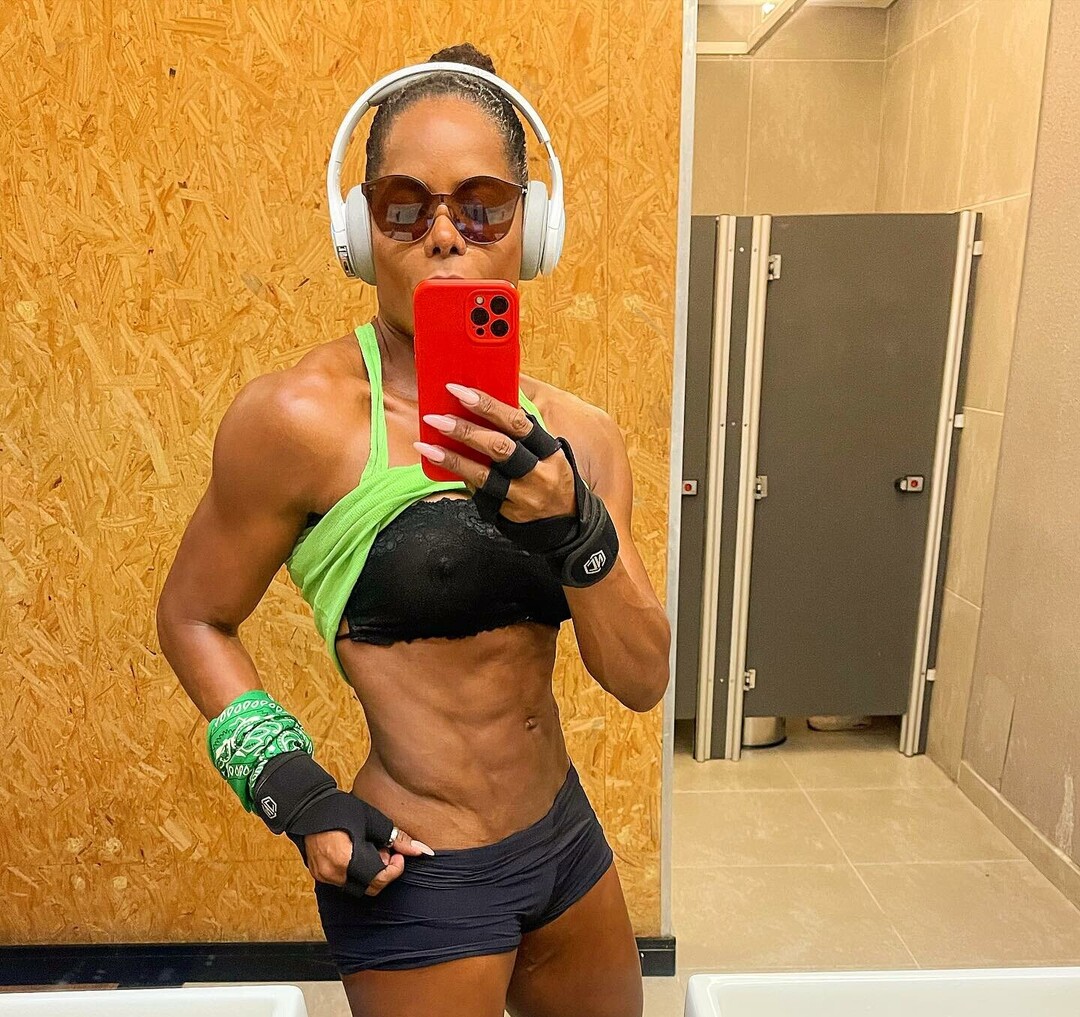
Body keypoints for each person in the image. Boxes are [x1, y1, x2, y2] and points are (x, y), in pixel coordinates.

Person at [156, 42, 670, 1017]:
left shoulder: (582, 438)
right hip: (422, 869)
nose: (444, 235)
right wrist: (290, 787)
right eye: (405, 207)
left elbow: (642, 679)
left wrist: (576, 527)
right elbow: (192, 616)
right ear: (360, 231)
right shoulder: (301, 421)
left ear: (533, 228)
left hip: (566, 846)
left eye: (482, 206)